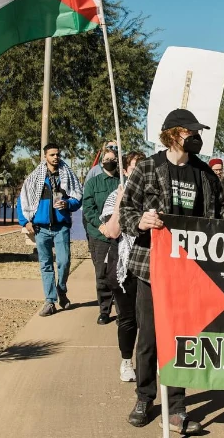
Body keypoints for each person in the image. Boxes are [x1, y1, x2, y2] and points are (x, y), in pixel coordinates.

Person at [119, 108, 224, 434]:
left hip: (189, 270)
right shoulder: (148, 168)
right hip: (150, 268)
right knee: (150, 340)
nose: (197, 137)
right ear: (173, 134)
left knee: (181, 340)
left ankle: (176, 408)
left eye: (198, 132)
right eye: (191, 132)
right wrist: (141, 221)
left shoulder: (203, 173)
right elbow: (127, 210)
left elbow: (217, 213)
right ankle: (144, 398)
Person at [17, 143, 83, 317]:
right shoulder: (34, 178)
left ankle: (61, 290)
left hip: (61, 227)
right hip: (41, 229)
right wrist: (25, 222)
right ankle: (50, 301)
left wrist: (68, 203)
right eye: (52, 154)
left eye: (57, 154)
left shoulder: (67, 175)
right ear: (45, 156)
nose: (55, 157)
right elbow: (22, 200)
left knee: (64, 262)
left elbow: (78, 197)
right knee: (45, 265)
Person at [98, 151, 147, 382]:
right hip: (124, 266)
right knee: (128, 318)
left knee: (149, 319)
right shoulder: (113, 196)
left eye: (142, 168)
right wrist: (120, 202)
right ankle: (127, 361)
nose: (138, 172)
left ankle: (149, 361)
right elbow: (112, 231)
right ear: (126, 171)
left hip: (149, 265)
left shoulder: (152, 197)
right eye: (134, 167)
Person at [82, 148, 120, 325]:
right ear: (101, 161)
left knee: (121, 273)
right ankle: (104, 310)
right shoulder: (93, 183)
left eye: (113, 158)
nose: (110, 161)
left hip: (120, 237)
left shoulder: (123, 182)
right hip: (100, 235)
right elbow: (88, 209)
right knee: (102, 274)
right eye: (107, 158)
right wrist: (101, 226)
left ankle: (121, 310)